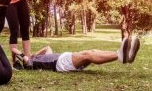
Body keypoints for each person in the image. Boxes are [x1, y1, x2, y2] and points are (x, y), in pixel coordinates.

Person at [12, 36, 140, 72]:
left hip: (64, 57)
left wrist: (35, 53)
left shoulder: (36, 58)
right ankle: (120, 57)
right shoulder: (30, 63)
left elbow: (47, 47)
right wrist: (22, 56)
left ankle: (121, 54)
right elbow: (16, 52)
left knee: (92, 51)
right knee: (88, 55)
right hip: (59, 63)